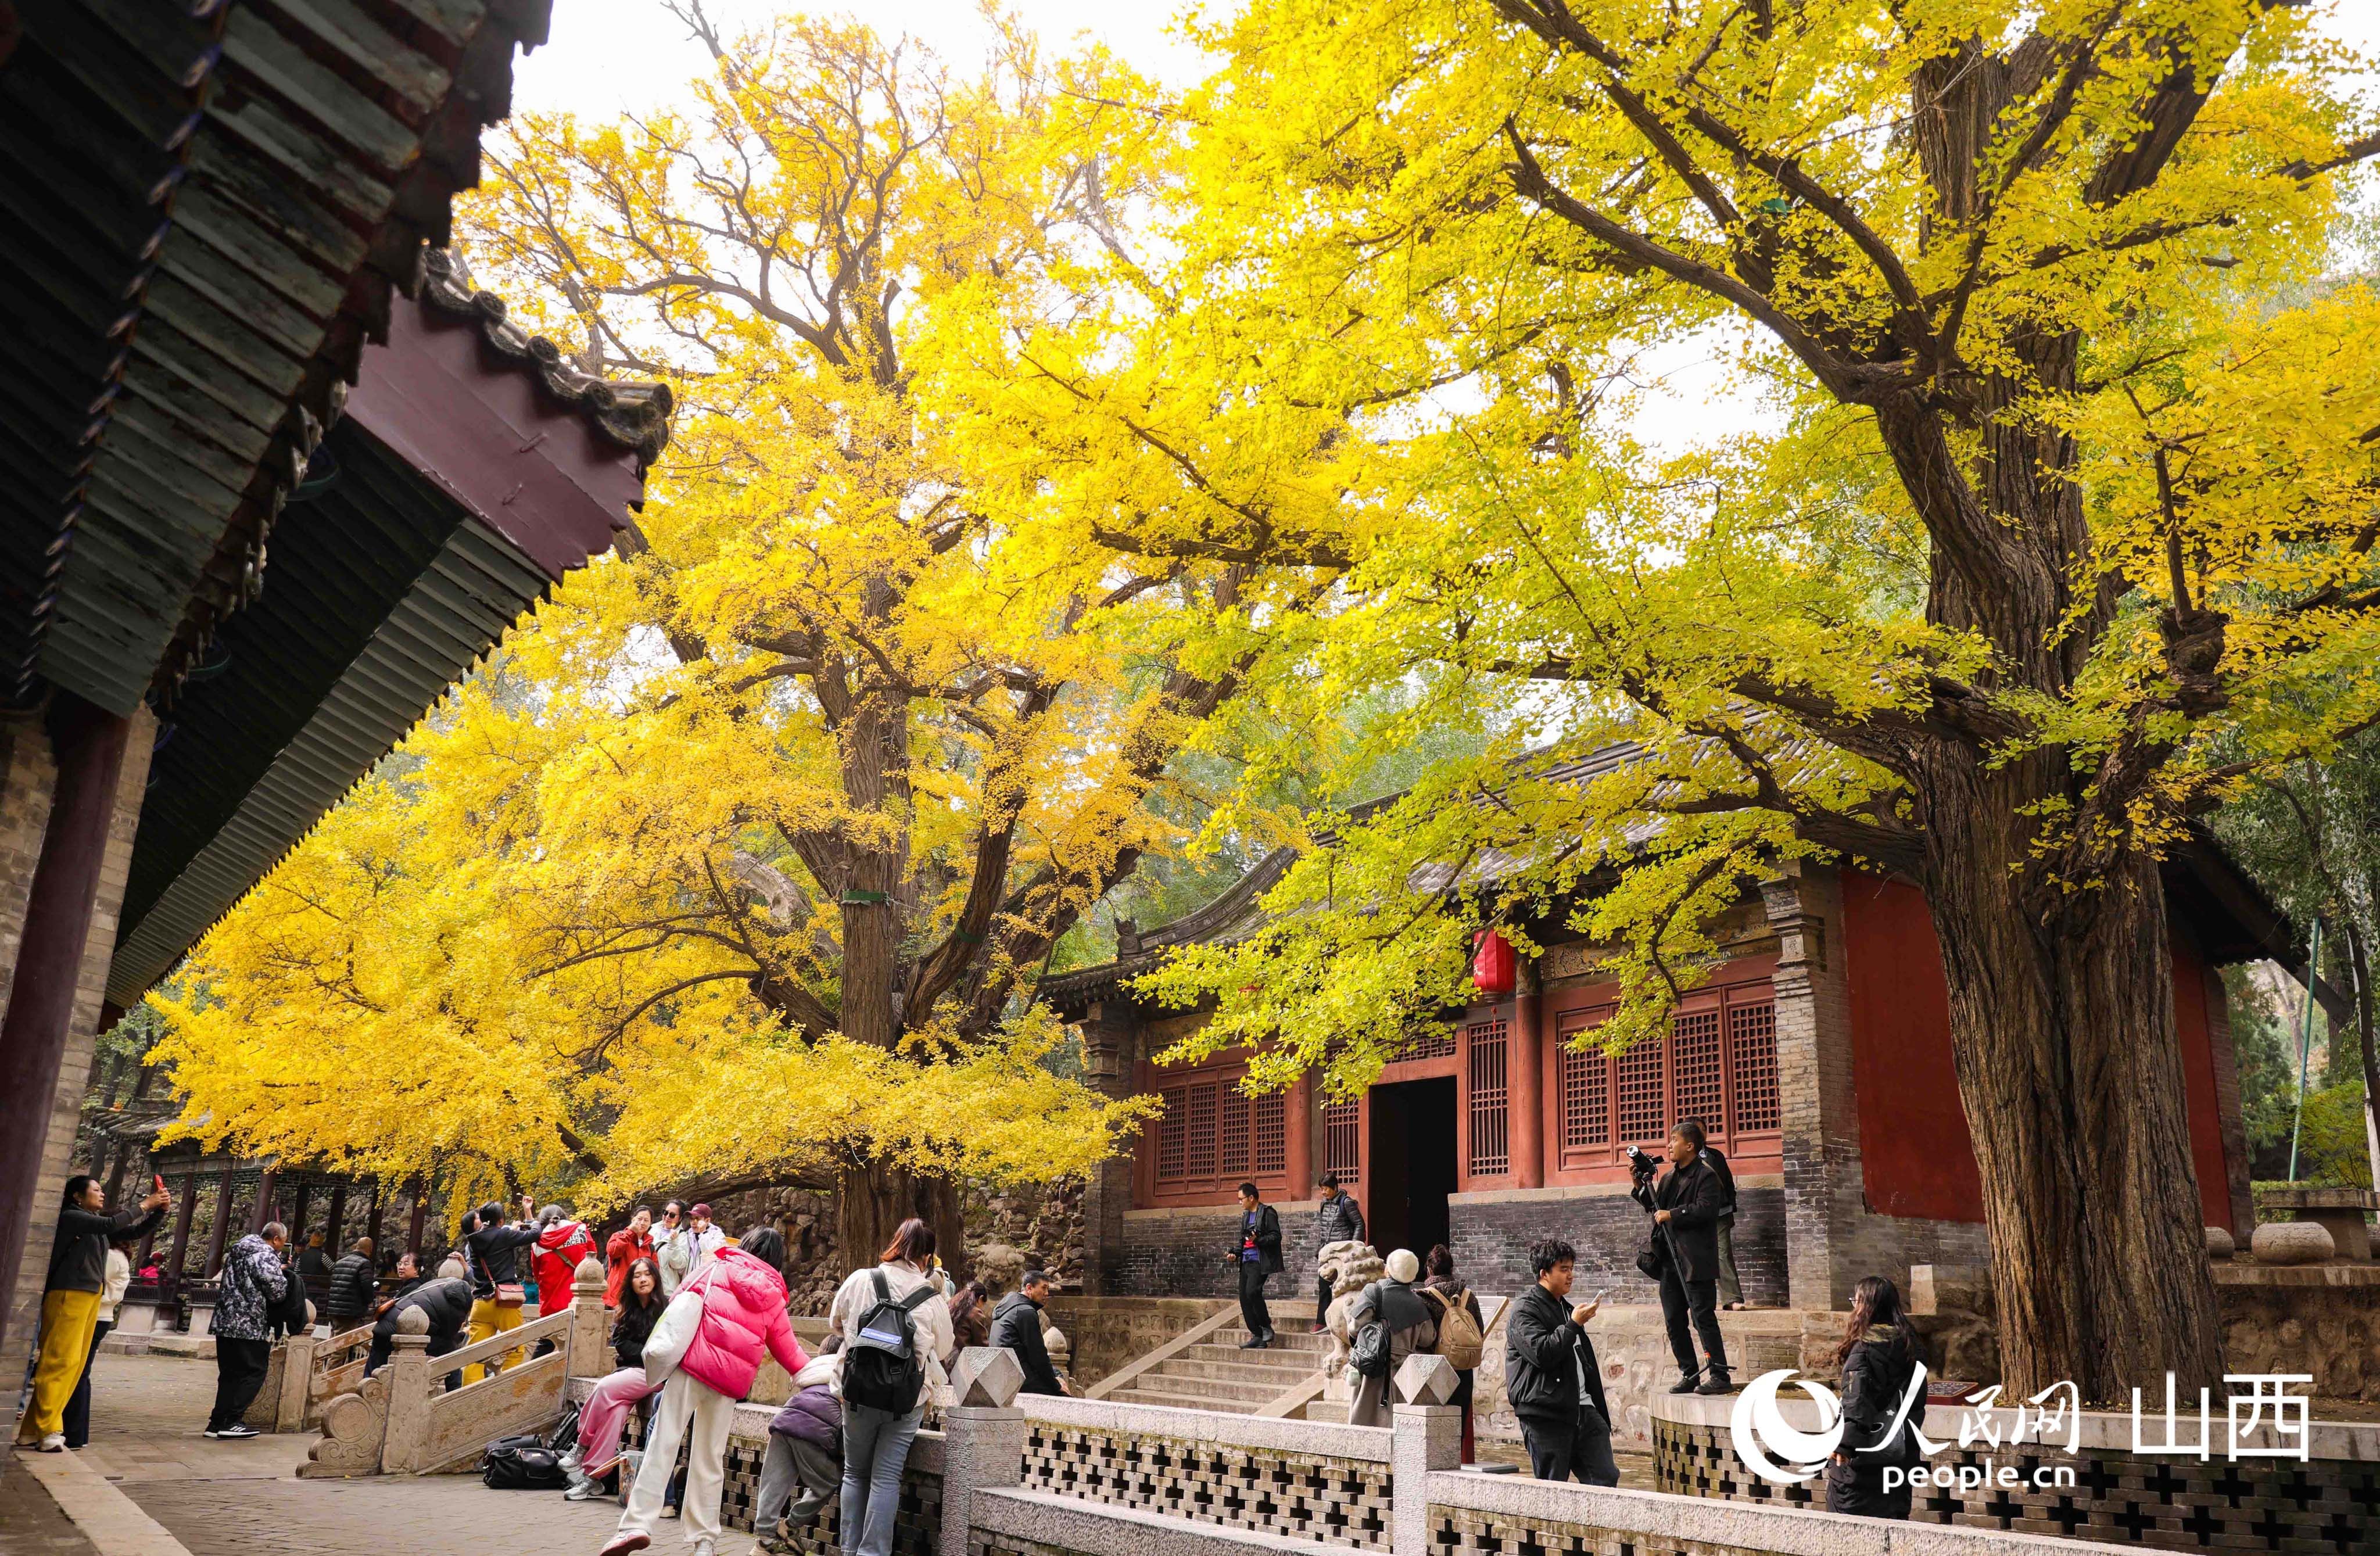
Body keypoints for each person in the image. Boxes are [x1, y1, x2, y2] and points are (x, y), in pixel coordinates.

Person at [601, 1227, 809, 1556]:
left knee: (662, 1444)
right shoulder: (773, 1297)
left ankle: (635, 1526)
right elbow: (791, 1353)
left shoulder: (715, 1268)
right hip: (728, 1385)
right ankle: (704, 1542)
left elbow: (679, 1303)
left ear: (746, 1245)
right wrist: (823, 1378)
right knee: (709, 1459)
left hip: (691, 1370)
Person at [827, 1217, 957, 1556]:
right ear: (927, 1258)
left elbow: (835, 1324)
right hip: (905, 1400)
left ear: (896, 1244)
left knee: (855, 1473)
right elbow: (944, 1349)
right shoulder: (931, 1297)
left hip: (857, 1393)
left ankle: (849, 1550)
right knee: (886, 1477)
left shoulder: (860, 1279)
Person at [16, 1175, 167, 1452]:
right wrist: (146, 1204)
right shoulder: (72, 1217)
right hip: (68, 1292)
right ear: (77, 1196)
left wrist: (159, 1212)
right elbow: (111, 1224)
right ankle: (49, 1428)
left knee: (74, 1365)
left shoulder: (94, 1224)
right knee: (60, 1361)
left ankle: (31, 1430)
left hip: (89, 1295)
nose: (102, 1194)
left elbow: (133, 1232)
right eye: (96, 1190)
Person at [1505, 1235, 1618, 1486]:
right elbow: (1542, 1354)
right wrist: (1573, 1325)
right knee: (1553, 1486)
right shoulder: (1524, 1310)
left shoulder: (1566, 1308)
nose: (1570, 1276)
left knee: (1606, 1478)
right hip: (1546, 1414)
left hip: (1584, 1409)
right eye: (1564, 1269)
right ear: (1544, 1273)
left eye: (1571, 1269)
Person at [1633, 1120, 1732, 1395]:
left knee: (1703, 1318)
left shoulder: (1706, 1176)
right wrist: (1639, 1182)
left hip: (1695, 1260)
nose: (1669, 1145)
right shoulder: (1669, 1178)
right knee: (1674, 1321)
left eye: (1674, 1140)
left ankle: (1720, 1375)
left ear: (1690, 1146)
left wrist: (1673, 1214)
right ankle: (1689, 1373)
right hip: (1670, 1260)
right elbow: (1653, 1206)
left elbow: (1707, 1210)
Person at [563, 1257, 668, 1500]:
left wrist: (646, 1354)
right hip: (629, 1373)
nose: (643, 1280)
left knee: (604, 1388)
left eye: (647, 1274)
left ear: (655, 1278)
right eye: (637, 1276)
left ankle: (582, 1445)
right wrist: (647, 1352)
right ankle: (593, 1478)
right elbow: (621, 1345)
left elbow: (664, 1348)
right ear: (630, 1282)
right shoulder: (626, 1310)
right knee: (615, 1415)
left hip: (654, 1375)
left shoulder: (667, 1307)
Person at [1826, 1276, 1922, 1519]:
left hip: (1861, 1466)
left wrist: (1844, 1445)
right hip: (1900, 1460)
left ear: (1866, 1307)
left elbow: (1857, 1401)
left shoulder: (1864, 1350)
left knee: (1848, 1531)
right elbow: (1916, 1404)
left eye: (1856, 1301)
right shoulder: (1911, 1347)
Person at [754, 1343, 843, 1552]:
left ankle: (765, 1540)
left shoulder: (812, 1369)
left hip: (785, 1420)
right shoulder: (845, 1369)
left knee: (773, 1481)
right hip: (813, 1430)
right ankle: (790, 1526)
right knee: (827, 1482)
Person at [205, 1220, 290, 1440]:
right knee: (254, 1371)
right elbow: (277, 1292)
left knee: (229, 1374)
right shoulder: (265, 1254)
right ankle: (233, 1421)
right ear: (276, 1239)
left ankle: (216, 1423)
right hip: (249, 1323)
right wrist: (281, 1274)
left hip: (225, 1321)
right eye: (283, 1241)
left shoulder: (237, 1251)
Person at [62, 1230, 139, 1450]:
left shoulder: (111, 1256)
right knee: (81, 1372)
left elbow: (92, 1283)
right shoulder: (118, 1255)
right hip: (100, 1317)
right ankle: (77, 1433)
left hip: (95, 1316)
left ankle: (74, 1433)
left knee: (78, 1372)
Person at [1345, 1249, 1435, 1428]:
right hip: (1403, 1376)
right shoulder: (1418, 1302)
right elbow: (1428, 1338)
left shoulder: (1373, 1292)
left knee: (1365, 1424)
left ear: (1388, 1270)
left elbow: (1355, 1328)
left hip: (1373, 1368)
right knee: (1398, 1427)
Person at [461, 1198, 539, 1382]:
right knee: (515, 1349)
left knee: (475, 1356)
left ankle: (467, 1394)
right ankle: (506, 1390)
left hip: (480, 1304)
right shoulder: (504, 1235)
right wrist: (532, 1220)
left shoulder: (473, 1241)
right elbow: (535, 1234)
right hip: (505, 1302)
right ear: (501, 1220)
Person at [1419, 1244, 1485, 1461]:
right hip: (1464, 1368)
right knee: (1458, 1426)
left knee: (1434, 1426)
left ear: (1429, 1269)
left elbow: (1424, 1337)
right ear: (1452, 1268)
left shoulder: (1423, 1297)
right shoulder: (1468, 1296)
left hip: (1435, 1368)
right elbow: (1479, 1331)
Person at [364, 1271, 475, 1377]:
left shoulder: (436, 1284)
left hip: (383, 1326)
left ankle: (366, 1385)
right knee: (450, 1352)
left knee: (373, 1369)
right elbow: (449, 1337)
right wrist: (463, 1334)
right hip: (402, 1334)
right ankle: (455, 1387)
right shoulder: (455, 1309)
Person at [990, 1269, 1073, 1397]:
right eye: (1043, 1288)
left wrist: (1056, 1375)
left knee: (1057, 1374)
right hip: (1018, 1378)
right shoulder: (1025, 1312)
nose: (1047, 1293)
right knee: (1064, 1396)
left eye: (1047, 1289)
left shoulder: (1009, 1306)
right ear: (1029, 1288)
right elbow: (1037, 1356)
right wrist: (1057, 1385)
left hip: (1004, 1373)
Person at [531, 1203, 597, 1354]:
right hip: (581, 1299)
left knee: (546, 1344)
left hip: (552, 1302)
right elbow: (593, 1257)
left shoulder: (538, 1242)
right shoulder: (581, 1231)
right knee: (580, 1346)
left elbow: (536, 1273)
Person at [1224, 1182, 1281, 1350]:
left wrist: (1259, 1240)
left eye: (1241, 1199)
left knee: (1252, 1291)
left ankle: (1266, 1326)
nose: (1240, 1202)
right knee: (1244, 1298)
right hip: (1246, 1261)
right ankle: (1257, 1336)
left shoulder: (1268, 1213)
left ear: (1251, 1198)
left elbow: (1276, 1237)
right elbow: (1243, 1242)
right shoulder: (1245, 1216)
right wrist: (1235, 1254)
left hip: (1259, 1260)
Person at [1311, 1173, 1365, 1331]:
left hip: (1343, 1254)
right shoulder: (1324, 1204)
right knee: (1323, 1286)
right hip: (1327, 1253)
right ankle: (1322, 1322)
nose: (1323, 1192)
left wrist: (1353, 1246)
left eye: (1326, 1189)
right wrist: (1320, 1249)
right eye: (1322, 1189)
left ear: (1335, 1187)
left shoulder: (1346, 1203)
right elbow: (1324, 1229)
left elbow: (1359, 1224)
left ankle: (1343, 1323)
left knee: (1342, 1288)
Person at [1702, 1138, 1744, 1309]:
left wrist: (1731, 1205)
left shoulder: (1715, 1155)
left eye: (1702, 1129)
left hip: (1720, 1212)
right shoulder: (1683, 1159)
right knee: (1696, 1256)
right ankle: (1701, 1301)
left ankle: (1731, 1299)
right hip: (1696, 1215)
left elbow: (1728, 1182)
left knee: (1723, 1253)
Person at [605, 1207, 657, 1308]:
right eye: (639, 1219)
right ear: (633, 1220)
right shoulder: (619, 1236)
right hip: (618, 1295)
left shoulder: (650, 1246)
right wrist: (629, 1233)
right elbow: (613, 1252)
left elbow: (654, 1271)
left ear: (650, 1224)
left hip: (640, 1298)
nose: (642, 1223)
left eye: (646, 1220)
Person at [325, 1236, 377, 1331]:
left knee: (335, 1334)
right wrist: (369, 1300)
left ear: (357, 1246)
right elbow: (367, 1286)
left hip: (334, 1306)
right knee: (344, 1337)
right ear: (370, 1249)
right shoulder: (364, 1264)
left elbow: (332, 1282)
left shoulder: (340, 1262)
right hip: (350, 1309)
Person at [650, 1201, 691, 1295]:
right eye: (665, 1213)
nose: (667, 1217)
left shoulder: (682, 1237)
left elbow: (679, 1265)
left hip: (665, 1290)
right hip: (647, 1286)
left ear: (680, 1218)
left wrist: (674, 1243)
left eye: (672, 1215)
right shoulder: (651, 1229)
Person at [948, 1278, 993, 1350]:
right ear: (980, 1299)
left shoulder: (951, 1307)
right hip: (966, 1355)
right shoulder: (975, 1313)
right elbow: (982, 1345)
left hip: (949, 1354)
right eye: (983, 1304)